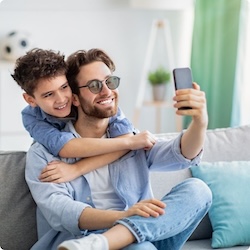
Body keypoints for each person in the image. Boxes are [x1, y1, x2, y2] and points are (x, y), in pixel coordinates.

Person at [25, 48, 212, 250]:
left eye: (110, 82)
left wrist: (200, 121)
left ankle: (104, 242)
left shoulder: (128, 138)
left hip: (145, 233)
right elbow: (62, 211)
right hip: (83, 239)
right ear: (75, 98)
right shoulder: (43, 153)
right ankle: (104, 240)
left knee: (198, 189)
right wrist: (125, 216)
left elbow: (181, 154)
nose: (107, 92)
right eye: (94, 86)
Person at [12, 48, 155, 183]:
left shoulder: (94, 103)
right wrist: (130, 142)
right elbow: (65, 147)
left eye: (64, 87)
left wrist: (130, 142)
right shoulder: (32, 118)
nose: (62, 99)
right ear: (30, 100)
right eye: (49, 94)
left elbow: (127, 140)